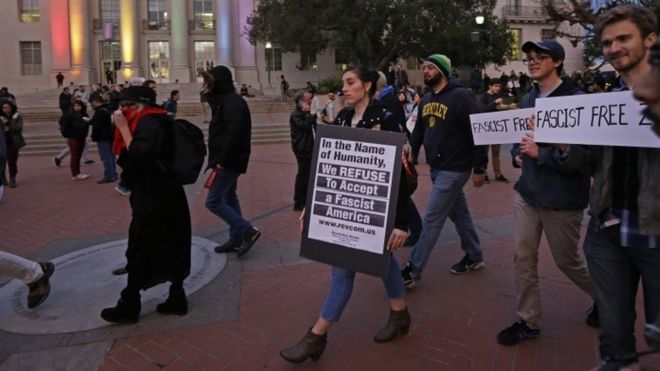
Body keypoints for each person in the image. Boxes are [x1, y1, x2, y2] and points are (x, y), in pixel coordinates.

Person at [280, 66, 411, 363]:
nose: (344, 88)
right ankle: (400, 313)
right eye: (343, 83)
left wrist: (400, 223)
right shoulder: (341, 118)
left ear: (366, 85)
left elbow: (400, 173)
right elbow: (326, 165)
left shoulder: (387, 118)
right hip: (347, 210)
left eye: (350, 83)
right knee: (371, 263)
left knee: (360, 265)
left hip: (379, 210)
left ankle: (317, 336)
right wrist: (313, 208)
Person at [560, 6, 660, 370]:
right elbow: (589, 163)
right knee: (614, 324)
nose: (614, 48)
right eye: (606, 42)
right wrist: (561, 146)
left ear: (650, 40)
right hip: (607, 229)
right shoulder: (603, 102)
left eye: (623, 38)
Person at [496, 39, 599, 347]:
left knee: (567, 261)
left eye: (540, 57)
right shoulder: (529, 97)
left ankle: (606, 297)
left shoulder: (576, 99)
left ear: (556, 62)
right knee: (523, 258)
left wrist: (540, 155)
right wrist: (517, 153)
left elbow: (586, 158)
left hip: (562, 199)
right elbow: (521, 139)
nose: (532, 61)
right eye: (529, 57)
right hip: (528, 194)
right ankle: (528, 320)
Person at [101, 86, 192, 323]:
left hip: (154, 196)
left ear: (140, 104)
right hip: (165, 193)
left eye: (128, 105)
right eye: (121, 105)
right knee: (172, 243)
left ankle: (129, 304)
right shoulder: (155, 120)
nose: (123, 110)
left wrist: (122, 128)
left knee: (140, 246)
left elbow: (139, 155)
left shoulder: (149, 122)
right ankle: (176, 297)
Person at [400, 54, 487, 289]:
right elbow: (418, 130)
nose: (425, 71)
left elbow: (479, 132)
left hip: (455, 169)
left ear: (442, 71)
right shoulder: (426, 99)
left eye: (430, 67)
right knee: (460, 215)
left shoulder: (461, 96)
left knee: (432, 219)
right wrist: (412, 153)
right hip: (437, 169)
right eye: (424, 67)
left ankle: (412, 270)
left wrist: (480, 167)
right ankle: (474, 255)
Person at [205, 66, 261, 257]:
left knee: (213, 201)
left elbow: (234, 134)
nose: (207, 86)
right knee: (229, 197)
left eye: (210, 82)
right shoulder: (224, 101)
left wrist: (222, 160)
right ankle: (236, 238)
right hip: (227, 159)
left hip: (228, 160)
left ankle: (248, 231)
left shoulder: (232, 102)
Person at [476, 78, 510, 183]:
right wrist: (494, 102)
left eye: (499, 86)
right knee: (484, 152)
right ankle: (483, 172)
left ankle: (498, 173)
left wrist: (508, 107)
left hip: (496, 129)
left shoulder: (497, 96)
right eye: (495, 86)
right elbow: (482, 110)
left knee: (496, 152)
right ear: (489, 86)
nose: (497, 88)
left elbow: (499, 108)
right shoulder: (483, 97)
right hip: (486, 129)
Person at [289, 90, 316, 211]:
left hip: (309, 146)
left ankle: (305, 199)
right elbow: (304, 126)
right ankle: (299, 201)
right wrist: (308, 114)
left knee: (308, 174)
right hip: (302, 148)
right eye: (307, 99)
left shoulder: (304, 113)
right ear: (300, 102)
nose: (310, 101)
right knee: (303, 174)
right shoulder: (296, 114)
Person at [59, 100, 90, 180]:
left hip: (82, 137)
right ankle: (75, 174)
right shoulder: (69, 115)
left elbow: (87, 124)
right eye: (75, 105)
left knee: (78, 156)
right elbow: (63, 126)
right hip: (73, 138)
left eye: (79, 106)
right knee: (74, 156)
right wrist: (68, 135)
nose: (77, 107)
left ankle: (78, 173)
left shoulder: (84, 115)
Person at [89, 95, 117, 183]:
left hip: (102, 137)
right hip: (109, 135)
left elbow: (97, 126)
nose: (91, 105)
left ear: (95, 101)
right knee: (111, 156)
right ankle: (113, 173)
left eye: (91, 103)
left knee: (106, 156)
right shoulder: (108, 109)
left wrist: (94, 136)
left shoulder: (100, 111)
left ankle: (110, 175)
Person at [1, 99, 25, 188]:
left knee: (12, 160)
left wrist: (7, 122)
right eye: (4, 108)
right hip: (2, 141)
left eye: (7, 107)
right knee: (2, 160)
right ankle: (2, 177)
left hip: (13, 141)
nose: (6, 109)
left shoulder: (16, 116)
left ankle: (12, 178)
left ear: (11, 107)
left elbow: (18, 128)